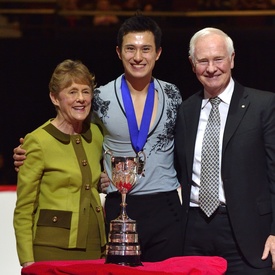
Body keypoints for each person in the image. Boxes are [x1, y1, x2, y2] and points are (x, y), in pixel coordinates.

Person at [13, 14, 183, 262]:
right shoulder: (100, 98)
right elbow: (71, 131)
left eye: (146, 49)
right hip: (118, 205)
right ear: (118, 52)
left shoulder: (173, 94)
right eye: (130, 49)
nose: (138, 57)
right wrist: (27, 152)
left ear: (157, 53)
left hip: (166, 208)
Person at [174, 27, 275, 274]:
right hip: (194, 234)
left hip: (251, 236)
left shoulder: (263, 105)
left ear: (232, 59)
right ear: (191, 64)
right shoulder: (185, 111)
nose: (211, 68)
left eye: (218, 59)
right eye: (203, 61)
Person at [13, 59, 106, 268]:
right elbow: (24, 209)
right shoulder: (38, 141)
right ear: (55, 98)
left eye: (85, 91)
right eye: (72, 92)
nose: (81, 99)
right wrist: (28, 261)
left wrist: (103, 181)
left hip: (95, 247)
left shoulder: (97, 134)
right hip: (51, 249)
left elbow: (88, 179)